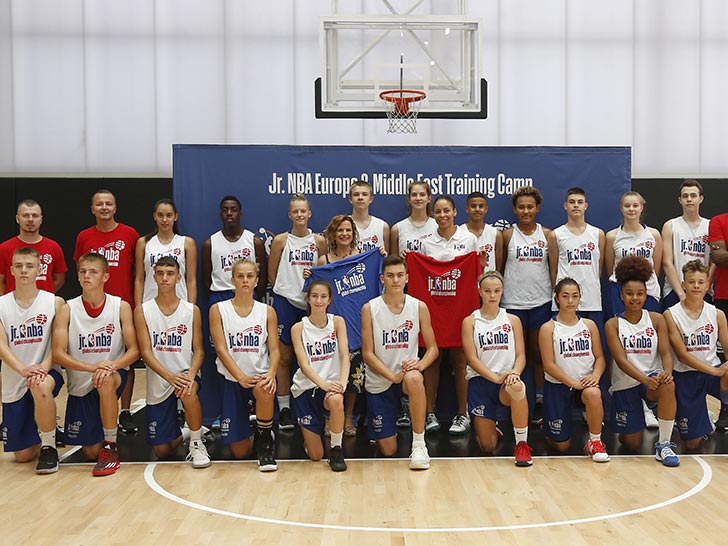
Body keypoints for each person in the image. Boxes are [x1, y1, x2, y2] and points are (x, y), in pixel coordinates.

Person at [52, 252, 139, 476]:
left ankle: (111, 447)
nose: (87, 276)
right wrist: (93, 368)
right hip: (82, 381)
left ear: (105, 277)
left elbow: (134, 350)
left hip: (112, 374)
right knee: (90, 452)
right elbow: (58, 354)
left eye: (93, 272)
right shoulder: (67, 309)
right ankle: (100, 443)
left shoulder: (120, 306)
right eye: (83, 272)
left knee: (105, 379)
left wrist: (110, 366)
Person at [361, 255, 438, 469]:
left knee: (414, 378)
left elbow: (433, 349)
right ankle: (387, 423)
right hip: (381, 378)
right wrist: (391, 375)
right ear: (382, 279)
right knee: (388, 450)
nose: (395, 280)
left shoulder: (418, 306)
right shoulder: (370, 308)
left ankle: (419, 445)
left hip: (406, 377)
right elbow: (367, 353)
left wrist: (419, 365)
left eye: (400, 275)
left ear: (407, 278)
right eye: (390, 276)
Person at [74, 189, 140, 435]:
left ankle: (125, 411)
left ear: (115, 208)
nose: (104, 207)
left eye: (108, 204)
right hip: (93, 305)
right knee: (96, 353)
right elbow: (82, 268)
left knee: (126, 358)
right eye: (99, 204)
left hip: (122, 306)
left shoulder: (129, 234)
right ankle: (95, 403)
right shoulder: (84, 237)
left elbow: (138, 273)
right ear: (92, 209)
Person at [134, 257, 209, 468]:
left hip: (185, 373)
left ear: (178, 277)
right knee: (162, 450)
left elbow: (199, 350)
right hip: (160, 378)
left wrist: (191, 374)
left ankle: (196, 444)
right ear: (154, 277)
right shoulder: (143, 310)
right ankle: (188, 432)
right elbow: (145, 353)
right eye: (160, 273)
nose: (165, 278)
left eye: (169, 273)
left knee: (188, 389)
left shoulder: (191, 310)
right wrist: (170, 376)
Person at [605, 255, 679, 466]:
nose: (635, 298)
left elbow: (666, 353)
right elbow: (621, 361)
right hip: (627, 382)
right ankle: (634, 420)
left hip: (652, 380)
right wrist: (644, 380)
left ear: (646, 295)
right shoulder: (613, 324)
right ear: (621, 296)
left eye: (639, 294)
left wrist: (667, 372)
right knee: (631, 444)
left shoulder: (656, 319)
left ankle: (664, 444)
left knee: (668, 385)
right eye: (629, 294)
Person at [210, 258, 280, 470]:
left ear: (257, 280)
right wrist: (240, 376)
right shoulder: (218, 309)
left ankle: (265, 442)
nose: (245, 280)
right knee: (240, 452)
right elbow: (221, 349)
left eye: (250, 276)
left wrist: (271, 373)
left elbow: (275, 350)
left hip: (259, 376)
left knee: (265, 389)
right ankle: (256, 427)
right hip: (234, 379)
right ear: (232, 280)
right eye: (240, 276)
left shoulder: (267, 311)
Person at [0, 247, 64, 473]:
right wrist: (23, 369)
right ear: (11, 271)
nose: (24, 270)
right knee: (23, 456)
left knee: (40, 386)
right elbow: (1, 346)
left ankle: (49, 447)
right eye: (19, 266)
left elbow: (58, 346)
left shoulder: (54, 303)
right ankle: (43, 427)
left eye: (29, 266)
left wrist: (43, 368)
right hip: (15, 376)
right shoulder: (2, 305)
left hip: (46, 372)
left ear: (39, 270)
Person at [419, 195, 478, 435]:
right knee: (432, 360)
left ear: (455, 212)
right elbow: (421, 272)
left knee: (461, 359)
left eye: (447, 211)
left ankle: (463, 413)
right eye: (438, 212)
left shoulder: (469, 238)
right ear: (433, 214)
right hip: (433, 306)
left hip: (461, 307)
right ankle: (429, 412)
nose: (442, 215)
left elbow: (475, 273)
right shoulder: (426, 242)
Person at [268, 194, 327, 430]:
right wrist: (287, 289)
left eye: (304, 211)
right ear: (290, 215)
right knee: (283, 358)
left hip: (311, 304)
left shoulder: (319, 241)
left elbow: (324, 271)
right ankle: (284, 408)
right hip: (285, 302)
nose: (300, 215)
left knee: (315, 356)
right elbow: (271, 275)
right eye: (296, 211)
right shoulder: (281, 240)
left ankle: (314, 407)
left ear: (309, 214)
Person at [462, 271, 532, 466]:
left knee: (518, 387)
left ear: (502, 291)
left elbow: (521, 355)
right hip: (481, 382)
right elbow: (471, 359)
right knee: (488, 446)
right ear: (479, 292)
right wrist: (495, 377)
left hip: (506, 382)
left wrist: (514, 373)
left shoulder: (512, 320)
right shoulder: (470, 322)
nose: (492, 295)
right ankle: (493, 430)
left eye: (497, 291)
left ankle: (522, 444)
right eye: (487, 291)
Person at [539, 278, 610, 462]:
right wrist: (573, 383)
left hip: (584, 384)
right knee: (561, 446)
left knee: (594, 393)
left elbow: (600, 357)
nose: (570, 301)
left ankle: (595, 441)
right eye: (565, 296)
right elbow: (548, 365)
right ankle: (548, 425)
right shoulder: (548, 328)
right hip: (558, 386)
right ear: (557, 299)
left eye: (574, 296)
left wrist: (595, 376)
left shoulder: (589, 325)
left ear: (580, 298)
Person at [501, 186, 552, 417]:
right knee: (515, 356)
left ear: (537, 208)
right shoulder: (507, 235)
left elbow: (552, 270)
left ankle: (540, 397)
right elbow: (500, 269)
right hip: (513, 303)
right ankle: (516, 397)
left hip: (541, 301)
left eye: (530, 206)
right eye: (521, 207)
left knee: (538, 353)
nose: (525, 210)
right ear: (515, 209)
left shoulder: (548, 234)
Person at [664, 260, 728, 443]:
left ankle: (723, 409)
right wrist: (715, 371)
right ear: (683, 285)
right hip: (686, 375)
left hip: (713, 372)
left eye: (701, 282)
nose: (696, 286)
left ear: (708, 285)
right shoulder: (671, 314)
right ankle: (703, 418)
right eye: (691, 282)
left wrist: (722, 369)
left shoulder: (717, 314)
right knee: (692, 444)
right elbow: (682, 355)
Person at [290, 280, 350, 471]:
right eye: (314, 296)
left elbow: (344, 355)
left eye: (323, 296)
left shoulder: (337, 322)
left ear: (329, 299)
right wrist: (323, 384)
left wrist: (341, 383)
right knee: (316, 456)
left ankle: (336, 449)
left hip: (329, 388)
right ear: (308, 299)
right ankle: (309, 435)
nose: (318, 300)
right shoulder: (298, 328)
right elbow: (303, 365)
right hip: (306, 389)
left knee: (337, 400)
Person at [314, 215, 365, 437]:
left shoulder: (363, 258)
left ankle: (347, 417)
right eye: (340, 230)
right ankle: (330, 417)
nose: (344, 234)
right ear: (333, 234)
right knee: (332, 371)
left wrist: (379, 257)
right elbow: (315, 287)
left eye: (348, 230)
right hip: (331, 323)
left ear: (354, 234)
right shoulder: (324, 261)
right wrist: (311, 274)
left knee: (354, 375)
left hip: (355, 322)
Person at [547, 187, 606, 325]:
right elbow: (553, 270)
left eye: (580, 202)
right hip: (565, 301)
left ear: (585, 206)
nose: (576, 205)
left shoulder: (598, 234)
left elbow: (599, 270)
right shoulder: (556, 235)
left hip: (592, 300)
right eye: (572, 202)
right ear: (565, 206)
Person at [201, 195, 267, 303]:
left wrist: (254, 295)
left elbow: (262, 277)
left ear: (240, 214)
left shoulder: (254, 242)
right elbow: (206, 280)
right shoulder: (210, 244)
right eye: (225, 210)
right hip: (220, 295)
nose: (229, 213)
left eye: (234, 210)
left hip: (247, 293)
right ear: (220, 215)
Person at [605, 191, 663, 315]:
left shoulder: (654, 234)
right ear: (621, 208)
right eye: (627, 206)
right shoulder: (611, 236)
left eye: (635, 205)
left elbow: (656, 270)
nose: (631, 209)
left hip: (648, 289)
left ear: (641, 208)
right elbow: (610, 270)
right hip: (620, 291)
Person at [134, 198, 197, 306]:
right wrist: (139, 308)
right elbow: (139, 279)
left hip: (179, 304)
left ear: (175, 217)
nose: (164, 220)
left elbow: (191, 280)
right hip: (150, 303)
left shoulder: (186, 243)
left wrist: (191, 308)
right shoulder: (143, 243)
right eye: (160, 215)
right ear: (155, 216)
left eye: (169, 215)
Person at [662, 180, 713, 309]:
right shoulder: (670, 226)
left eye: (693, 195)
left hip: (703, 291)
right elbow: (667, 262)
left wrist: (705, 287)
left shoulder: (710, 226)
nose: (689, 199)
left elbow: (714, 263)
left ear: (701, 199)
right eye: (685, 196)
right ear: (680, 200)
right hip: (675, 290)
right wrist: (681, 294)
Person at [0, 199, 67, 294]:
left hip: (44, 305)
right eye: (25, 215)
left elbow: (59, 279)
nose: (30, 219)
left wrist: (42, 297)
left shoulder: (53, 247)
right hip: (13, 306)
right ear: (17, 219)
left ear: (41, 219)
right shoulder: (4, 248)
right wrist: (8, 300)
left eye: (35, 216)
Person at [389, 181, 437, 257]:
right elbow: (394, 263)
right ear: (409, 199)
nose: (418, 198)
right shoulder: (397, 229)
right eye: (414, 195)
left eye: (422, 194)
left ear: (429, 199)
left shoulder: (437, 226)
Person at [459, 191, 503, 272]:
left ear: (486, 209)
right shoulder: (458, 233)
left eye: (481, 206)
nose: (477, 209)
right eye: (473, 206)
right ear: (467, 209)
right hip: (466, 282)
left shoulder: (496, 234)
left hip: (488, 283)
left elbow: (498, 268)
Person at [349, 180, 390, 254]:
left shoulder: (382, 226)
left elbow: (387, 259)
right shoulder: (343, 225)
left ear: (371, 199)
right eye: (356, 194)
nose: (360, 197)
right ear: (350, 199)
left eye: (364, 194)